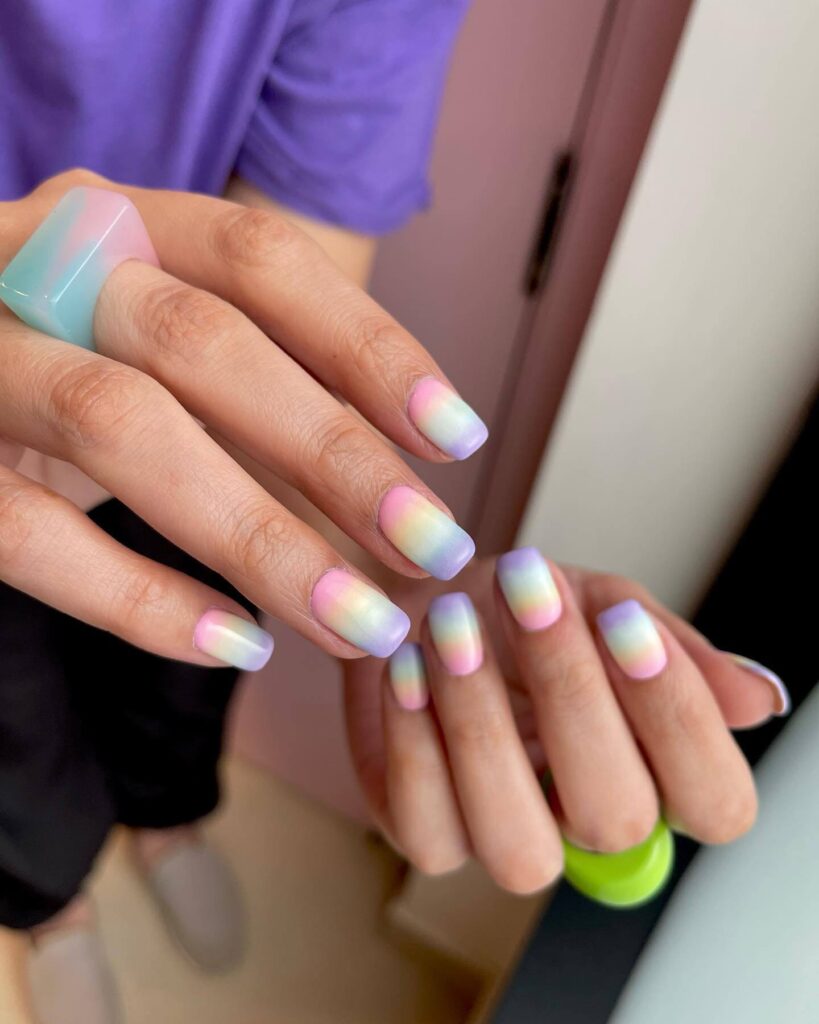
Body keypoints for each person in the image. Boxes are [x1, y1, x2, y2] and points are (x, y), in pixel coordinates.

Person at [0, 3, 789, 1023]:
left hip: (194, 421)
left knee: (198, 656)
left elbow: (288, 294)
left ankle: (169, 821)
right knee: (10, 716)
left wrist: (407, 584)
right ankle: (51, 904)